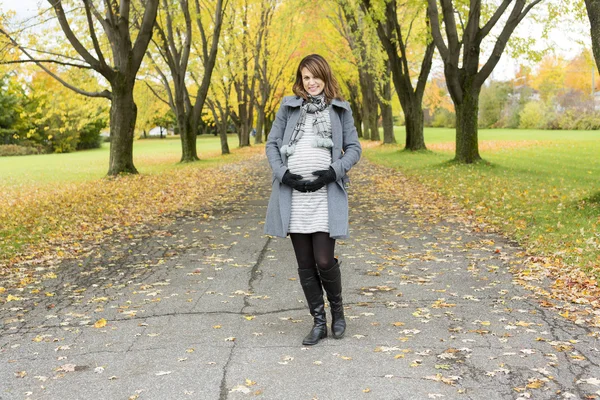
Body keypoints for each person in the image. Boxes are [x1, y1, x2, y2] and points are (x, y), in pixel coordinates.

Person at [264, 54, 362, 346]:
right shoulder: (288, 106)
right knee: (305, 262)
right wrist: (284, 174)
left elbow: (354, 149)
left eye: (315, 76)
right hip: (293, 195)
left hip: (324, 194)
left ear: (325, 77)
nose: (311, 82)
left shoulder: (340, 110)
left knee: (323, 259)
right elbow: (271, 143)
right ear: (300, 80)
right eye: (306, 77)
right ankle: (318, 322)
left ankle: (338, 313)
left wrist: (333, 172)